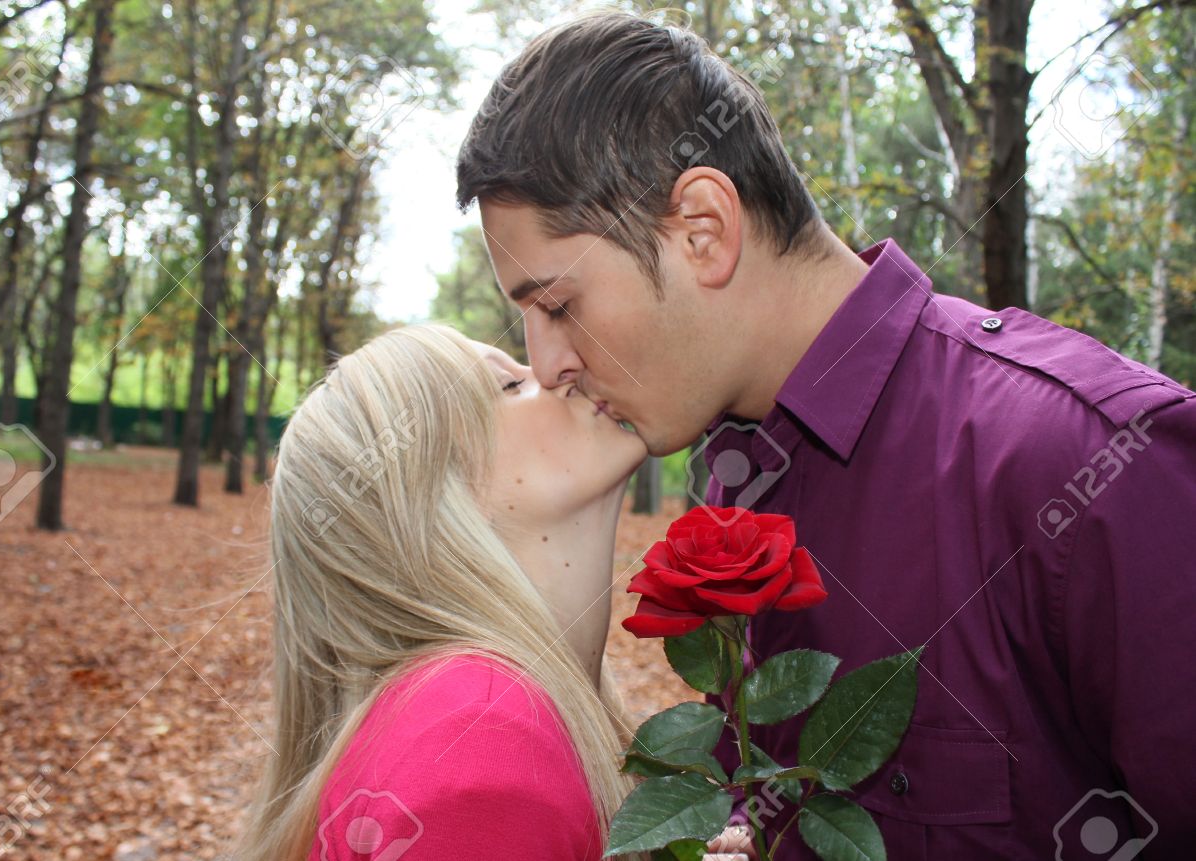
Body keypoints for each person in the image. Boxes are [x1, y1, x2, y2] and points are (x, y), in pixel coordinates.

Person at [456, 11, 1196, 860]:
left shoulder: (1091, 462)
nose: (545, 364)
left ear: (702, 230)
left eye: (555, 305)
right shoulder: (735, 469)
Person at [231, 324, 753, 860]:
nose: (559, 369)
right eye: (508, 385)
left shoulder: (478, 719)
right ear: (432, 496)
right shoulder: (479, 750)